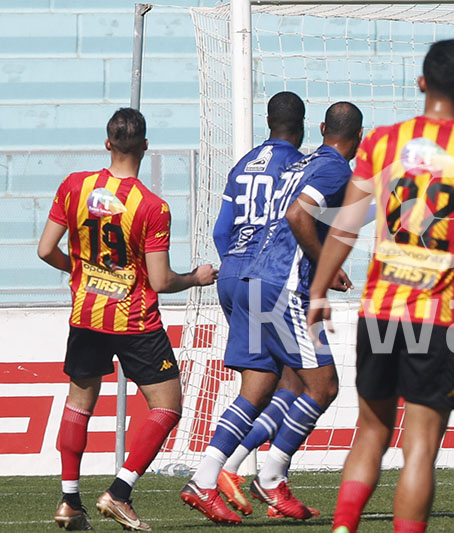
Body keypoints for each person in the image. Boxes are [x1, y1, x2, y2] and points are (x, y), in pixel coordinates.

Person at [307, 40, 454, 533]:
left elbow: (346, 225)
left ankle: (343, 527)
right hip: (438, 317)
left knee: (370, 432)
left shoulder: (383, 142)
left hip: (380, 307)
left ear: (421, 83)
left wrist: (320, 289)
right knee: (420, 445)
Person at [181, 101, 363, 524]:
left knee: (263, 384)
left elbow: (237, 226)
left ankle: (207, 478)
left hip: (249, 277)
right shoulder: (333, 168)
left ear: (321, 128)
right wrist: (325, 266)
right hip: (282, 287)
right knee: (322, 386)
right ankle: (271, 475)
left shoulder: (300, 163)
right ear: (359, 137)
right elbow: (298, 215)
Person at [38, 107, 217, 531]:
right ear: (146, 146)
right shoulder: (152, 207)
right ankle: (119, 492)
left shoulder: (75, 186)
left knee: (79, 403)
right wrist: (196, 277)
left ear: (107, 143)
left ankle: (68, 502)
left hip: (86, 314)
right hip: (134, 320)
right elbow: (160, 279)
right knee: (167, 405)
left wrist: (81, 272)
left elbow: (45, 250)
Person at [197, 91, 308, 519]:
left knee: (273, 381)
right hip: (269, 279)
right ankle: (231, 471)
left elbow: (222, 230)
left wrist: (236, 270)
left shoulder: (242, 165)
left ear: (266, 120)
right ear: (301, 125)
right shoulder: (297, 166)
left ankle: (239, 472)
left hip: (232, 275)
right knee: (303, 382)